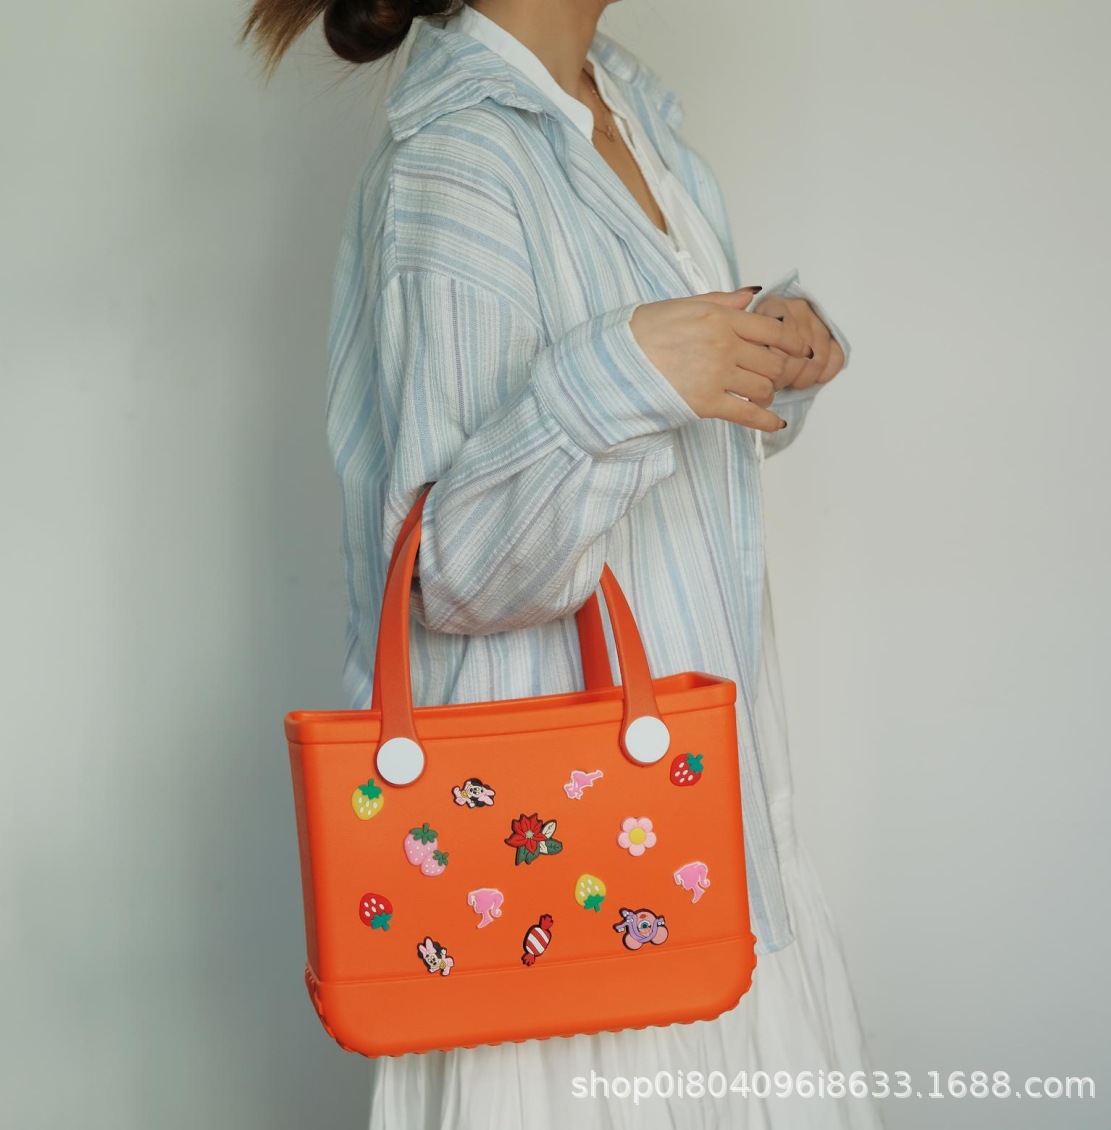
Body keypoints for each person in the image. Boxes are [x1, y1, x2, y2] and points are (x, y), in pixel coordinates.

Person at [242, 2, 883, 1127]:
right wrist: (626, 374)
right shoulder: (461, 160)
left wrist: (761, 360)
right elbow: (461, 571)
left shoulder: (625, 109)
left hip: (704, 850)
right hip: (565, 915)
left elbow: (658, 460)